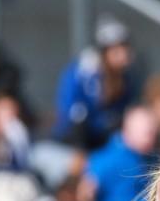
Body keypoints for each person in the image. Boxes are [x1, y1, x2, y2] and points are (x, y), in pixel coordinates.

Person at [54, 15, 138, 150]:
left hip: (105, 139)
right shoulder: (84, 73)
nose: (123, 55)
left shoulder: (126, 78)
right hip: (75, 141)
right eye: (116, 50)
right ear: (104, 52)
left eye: (125, 48)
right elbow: (74, 117)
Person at [86, 104, 160, 201]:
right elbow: (87, 193)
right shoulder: (105, 160)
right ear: (128, 130)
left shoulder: (152, 158)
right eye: (147, 133)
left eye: (153, 133)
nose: (151, 138)